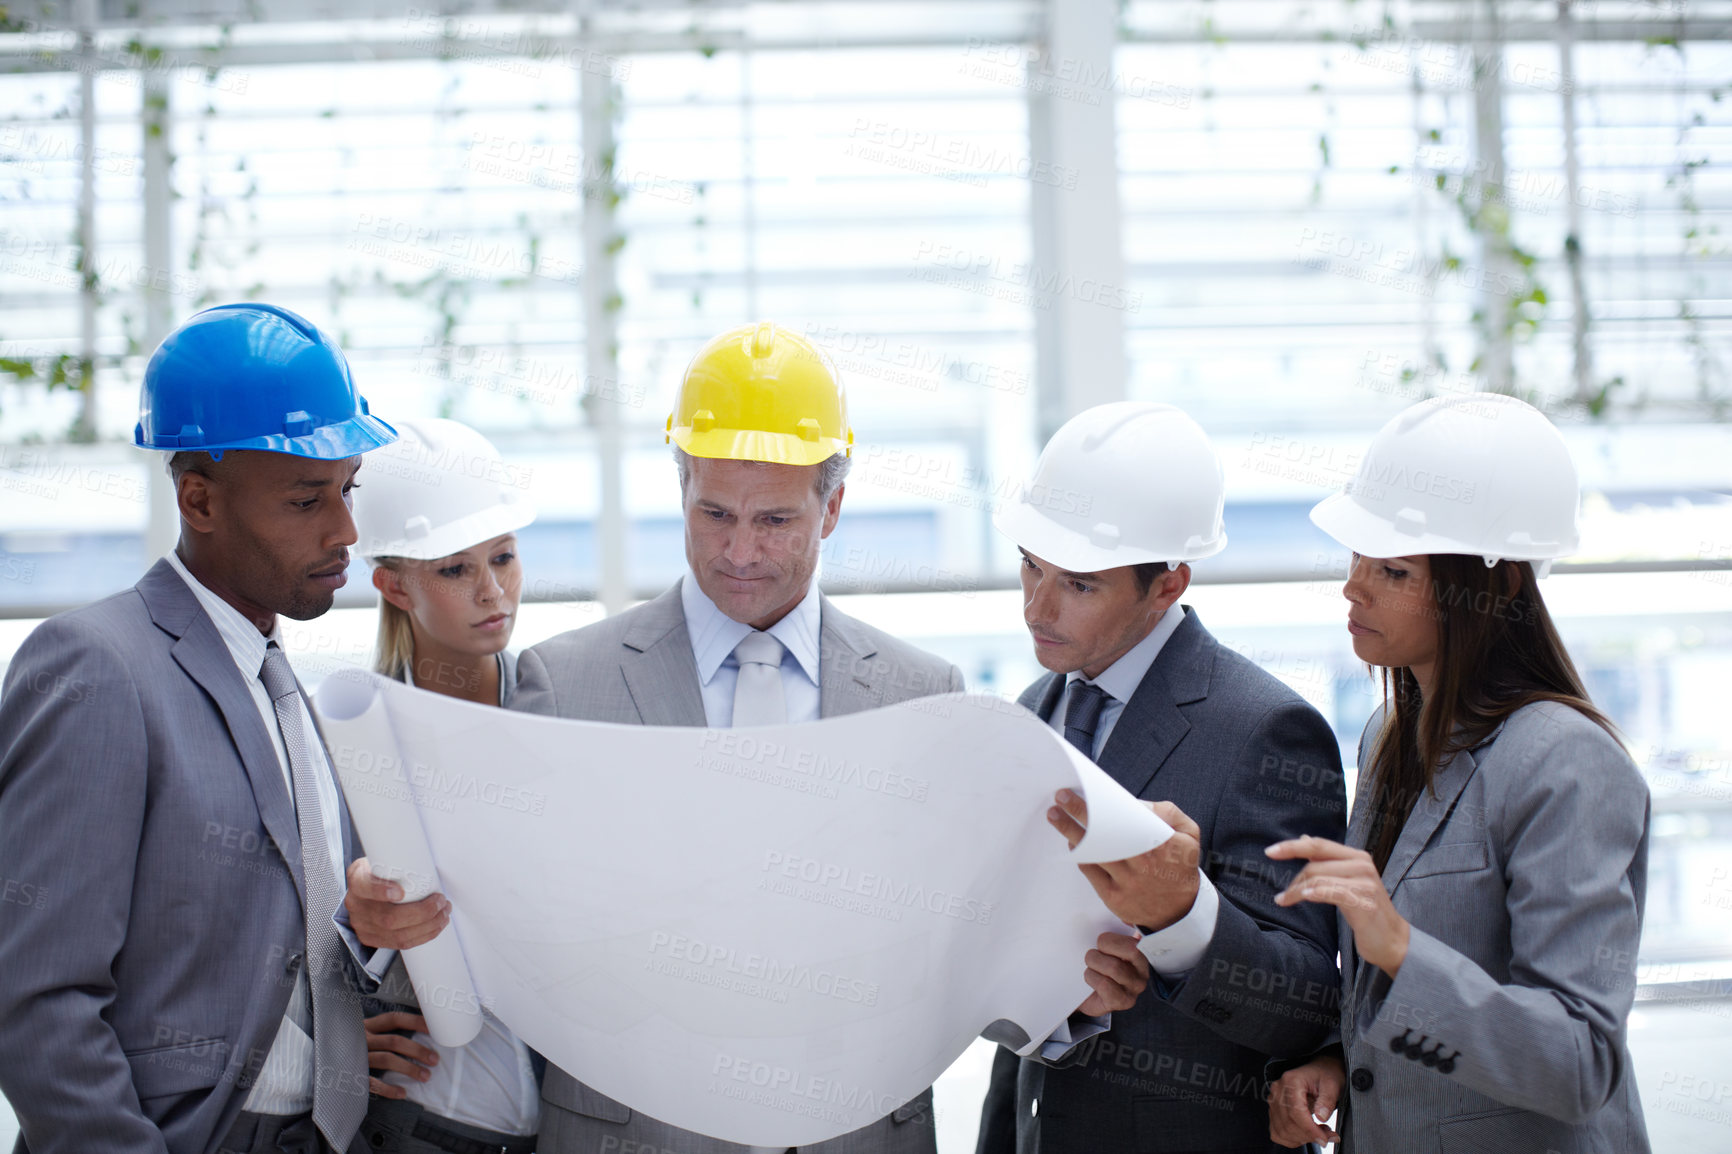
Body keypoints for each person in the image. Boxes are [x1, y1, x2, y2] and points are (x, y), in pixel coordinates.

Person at [344, 322, 1150, 1154]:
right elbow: (491, 929)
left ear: (832, 507)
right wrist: (383, 919)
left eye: (773, 520)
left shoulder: (923, 697)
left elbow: (962, 953)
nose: (738, 551)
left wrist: (1066, 998)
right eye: (714, 512)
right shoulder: (561, 685)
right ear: (681, 485)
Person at [0, 303, 397, 1154]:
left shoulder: (296, 694)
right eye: (306, 499)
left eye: (348, 490)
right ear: (198, 500)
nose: (346, 532)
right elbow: (36, 998)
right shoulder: (98, 667)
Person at [1264, 394, 1651, 1152]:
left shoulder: (1566, 762)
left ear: (1495, 587)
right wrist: (1339, 1060)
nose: (1353, 587)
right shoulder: (1390, 737)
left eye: (1393, 569)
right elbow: (1404, 1003)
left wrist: (1398, 945)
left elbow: (1578, 1062)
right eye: (1357, 558)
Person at [977, 402, 1346, 1154]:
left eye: (1079, 585)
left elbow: (1308, 1003)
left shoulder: (1267, 730)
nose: (1036, 607)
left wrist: (1183, 917)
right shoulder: (1030, 712)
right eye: (1031, 565)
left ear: (1168, 585)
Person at [345, 417, 540, 1154]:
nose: (494, 592)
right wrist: (336, 1036)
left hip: (563, 1113)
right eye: (456, 570)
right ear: (394, 585)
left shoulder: (565, 713)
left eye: (505, 558)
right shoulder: (350, 739)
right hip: (416, 1122)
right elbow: (287, 932)